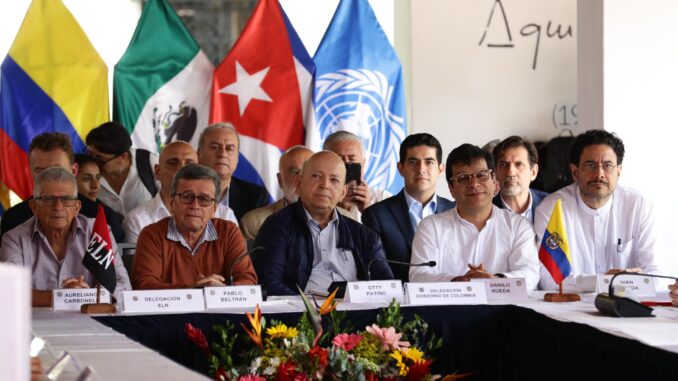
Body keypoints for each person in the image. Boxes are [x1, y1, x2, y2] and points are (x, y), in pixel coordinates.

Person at [253, 151, 394, 296]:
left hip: (356, 313)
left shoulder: (364, 235)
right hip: (304, 314)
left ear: (343, 193)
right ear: (299, 184)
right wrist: (310, 308)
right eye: (316, 176)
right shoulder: (277, 226)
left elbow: (387, 288)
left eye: (334, 180)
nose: (325, 185)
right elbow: (268, 284)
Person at [534, 129, 659, 291]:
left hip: (625, 308)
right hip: (570, 311)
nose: (599, 174)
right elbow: (549, 280)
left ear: (618, 171)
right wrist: (604, 282)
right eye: (590, 165)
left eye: (608, 165)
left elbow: (655, 274)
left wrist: (625, 282)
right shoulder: (552, 209)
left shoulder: (638, 205)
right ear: (575, 172)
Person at [409, 144, 540, 291]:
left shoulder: (518, 226)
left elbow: (530, 275)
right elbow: (418, 276)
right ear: (451, 188)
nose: (474, 184)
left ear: (494, 181)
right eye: (463, 178)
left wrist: (495, 281)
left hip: (505, 311)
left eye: (481, 175)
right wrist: (460, 282)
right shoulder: (431, 227)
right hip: (448, 311)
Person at [0, 168, 131, 306]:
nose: (58, 207)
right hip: (36, 325)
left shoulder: (97, 233)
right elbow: (7, 291)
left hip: (90, 323)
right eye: (48, 199)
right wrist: (64, 296)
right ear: (34, 207)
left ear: (77, 207)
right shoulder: (15, 238)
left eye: (67, 199)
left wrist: (87, 296)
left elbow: (123, 287)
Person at [133, 164, 257, 289]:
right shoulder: (152, 234)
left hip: (219, 308)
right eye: (186, 197)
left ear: (214, 208)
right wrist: (193, 291)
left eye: (204, 199)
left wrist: (220, 291)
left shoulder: (228, 232)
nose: (195, 206)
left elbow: (248, 281)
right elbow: (144, 285)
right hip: (173, 309)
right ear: (172, 203)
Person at [0, 132, 125, 243]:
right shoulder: (13, 219)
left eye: (57, 170)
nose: (49, 177)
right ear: (30, 173)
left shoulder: (103, 218)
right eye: (40, 171)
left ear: (74, 170)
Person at [362, 133, 455, 282]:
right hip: (399, 301)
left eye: (429, 162)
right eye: (413, 162)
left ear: (440, 169)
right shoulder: (376, 215)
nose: (421, 169)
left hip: (451, 297)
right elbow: (378, 271)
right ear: (400, 168)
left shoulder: (456, 210)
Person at [123, 141, 237, 244]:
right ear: (158, 172)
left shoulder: (225, 216)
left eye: (189, 163)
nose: (182, 169)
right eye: (173, 163)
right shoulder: (137, 221)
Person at [197, 123, 270, 221]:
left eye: (229, 148)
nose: (222, 154)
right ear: (198, 154)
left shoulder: (256, 197)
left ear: (237, 158)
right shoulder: (182, 193)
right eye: (215, 147)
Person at [240, 146, 314, 240]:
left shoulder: (336, 218)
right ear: (280, 180)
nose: (301, 180)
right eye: (294, 172)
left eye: (309, 172)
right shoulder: (254, 224)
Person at [85, 121, 158, 215]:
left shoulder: (149, 163)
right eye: (90, 154)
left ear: (123, 156)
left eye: (100, 159)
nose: (93, 162)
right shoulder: (86, 171)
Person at [323, 131, 391, 221]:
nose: (346, 164)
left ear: (363, 164)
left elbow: (392, 234)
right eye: (339, 159)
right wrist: (337, 210)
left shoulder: (384, 200)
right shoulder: (316, 199)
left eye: (352, 158)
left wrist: (368, 211)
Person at [492, 136, 548, 223]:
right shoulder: (486, 212)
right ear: (495, 172)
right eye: (503, 164)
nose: (510, 173)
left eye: (518, 164)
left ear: (533, 172)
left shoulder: (551, 204)